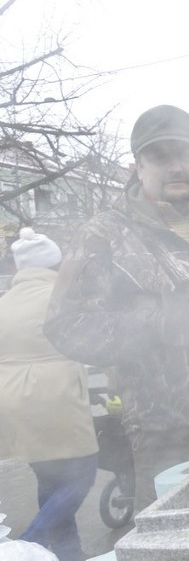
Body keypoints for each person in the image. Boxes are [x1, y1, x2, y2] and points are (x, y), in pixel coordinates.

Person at [44, 105, 189, 514]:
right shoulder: (104, 235)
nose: (175, 167)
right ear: (137, 167)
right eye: (160, 157)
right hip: (167, 437)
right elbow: (65, 325)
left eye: (185, 154)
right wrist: (161, 321)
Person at [0, 227, 98, 561]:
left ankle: (71, 553)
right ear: (55, 264)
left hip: (12, 397)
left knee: (50, 477)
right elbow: (91, 343)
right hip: (56, 393)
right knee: (83, 471)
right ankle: (28, 544)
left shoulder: (4, 302)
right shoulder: (61, 298)